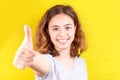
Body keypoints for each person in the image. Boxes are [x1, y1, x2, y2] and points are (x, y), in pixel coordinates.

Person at [13, 4, 88, 80]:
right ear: (48, 31)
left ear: (75, 28)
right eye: (55, 29)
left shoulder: (81, 63)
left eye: (68, 27)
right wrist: (29, 57)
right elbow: (39, 62)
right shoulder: (48, 63)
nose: (62, 34)